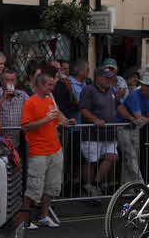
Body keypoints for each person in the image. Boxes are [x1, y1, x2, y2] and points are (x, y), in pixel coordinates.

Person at [21, 71, 73, 229]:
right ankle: (25, 220)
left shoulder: (50, 100)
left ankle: (44, 216)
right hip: (38, 151)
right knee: (34, 187)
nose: (52, 88)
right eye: (50, 85)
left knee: (52, 186)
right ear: (40, 84)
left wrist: (66, 122)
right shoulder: (30, 102)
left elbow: (56, 120)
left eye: (53, 85)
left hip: (55, 149)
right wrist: (45, 120)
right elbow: (25, 126)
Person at [79, 67, 121, 197]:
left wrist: (132, 118)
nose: (109, 80)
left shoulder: (112, 90)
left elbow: (119, 106)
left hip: (110, 133)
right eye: (106, 77)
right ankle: (88, 186)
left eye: (110, 77)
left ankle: (95, 183)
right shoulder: (88, 90)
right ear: (98, 78)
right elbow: (83, 109)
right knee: (92, 161)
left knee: (112, 157)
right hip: (92, 134)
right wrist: (95, 119)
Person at [116, 71, 149, 184]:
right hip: (123, 127)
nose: (144, 87)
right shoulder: (135, 95)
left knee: (131, 158)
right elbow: (139, 118)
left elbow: (142, 120)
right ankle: (141, 186)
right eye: (143, 85)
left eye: (146, 85)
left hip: (134, 128)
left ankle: (127, 187)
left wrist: (145, 119)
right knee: (131, 157)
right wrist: (144, 119)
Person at [0, 68, 29, 147]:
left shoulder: (23, 95)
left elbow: (32, 109)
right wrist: (3, 97)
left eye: (12, 80)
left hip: (19, 139)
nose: (10, 82)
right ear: (2, 81)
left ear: (16, 81)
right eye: (7, 80)